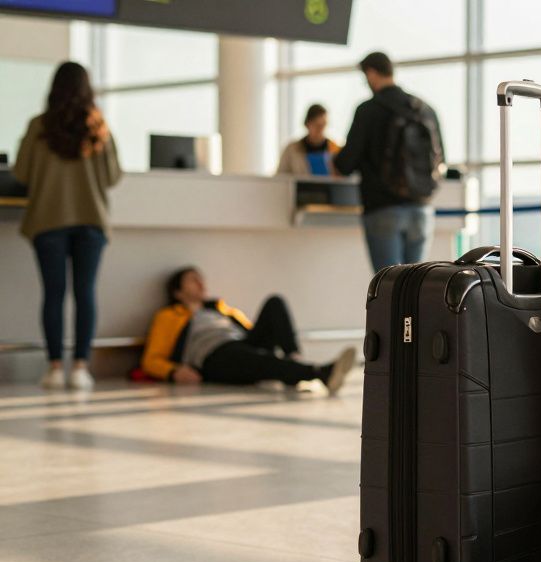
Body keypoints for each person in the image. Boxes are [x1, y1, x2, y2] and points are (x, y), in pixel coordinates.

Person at [13, 61, 122, 391]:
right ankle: (81, 368)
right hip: (91, 221)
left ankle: (54, 367)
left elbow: (21, 173)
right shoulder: (97, 127)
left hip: (48, 220)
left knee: (54, 294)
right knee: (85, 294)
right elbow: (113, 176)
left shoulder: (39, 126)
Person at [140, 267, 356, 395]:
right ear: (177, 292)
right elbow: (151, 359)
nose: (200, 282)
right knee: (253, 358)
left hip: (239, 343)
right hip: (213, 356)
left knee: (275, 302)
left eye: (200, 277)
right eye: (192, 279)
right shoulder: (168, 316)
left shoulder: (220, 308)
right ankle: (319, 373)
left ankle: (294, 358)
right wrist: (173, 372)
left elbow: (249, 330)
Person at [334, 51, 445, 273]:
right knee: (414, 285)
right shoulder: (425, 110)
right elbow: (441, 160)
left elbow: (345, 164)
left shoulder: (368, 110)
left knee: (389, 286)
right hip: (421, 211)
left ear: (371, 73)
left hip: (382, 209)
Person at [276, 104, 341, 177]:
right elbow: (279, 178)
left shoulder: (335, 149)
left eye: (323, 125)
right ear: (307, 124)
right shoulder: (291, 150)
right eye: (317, 125)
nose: (320, 130)